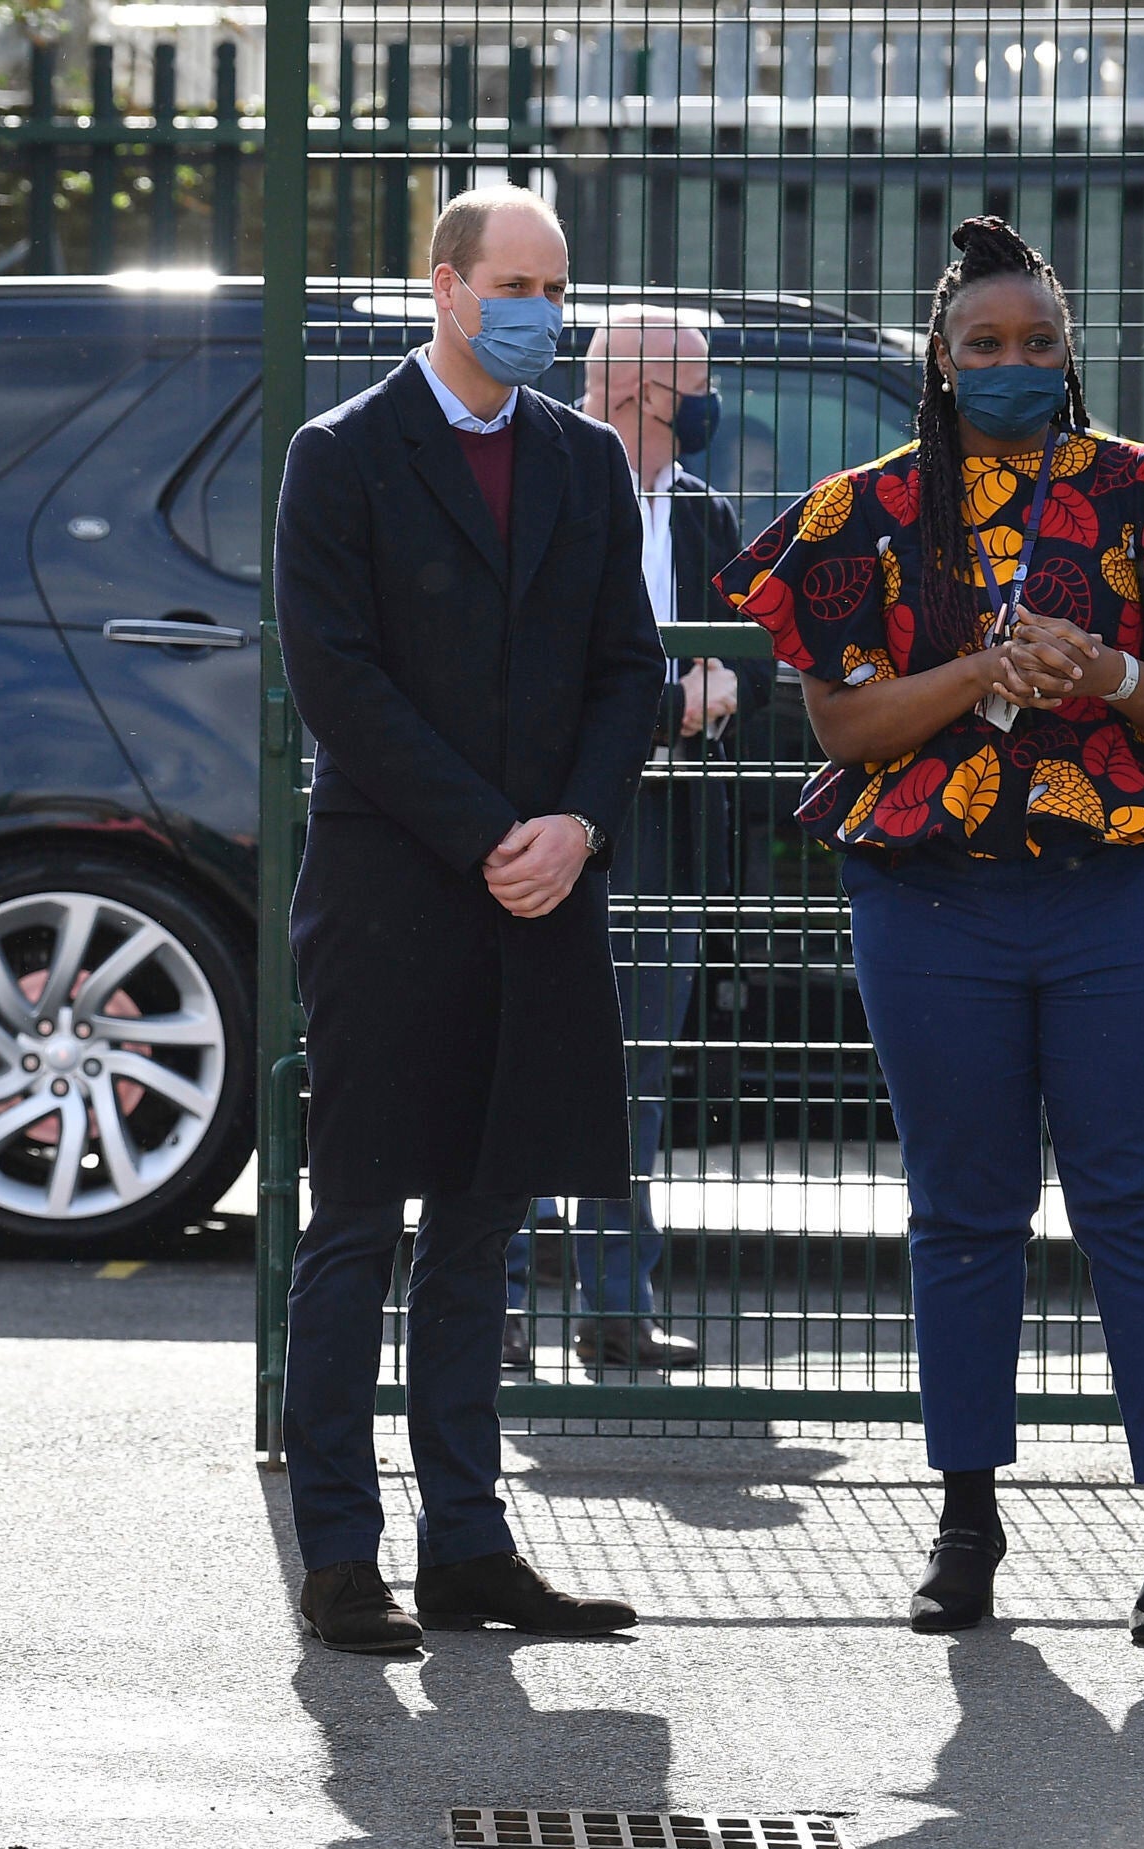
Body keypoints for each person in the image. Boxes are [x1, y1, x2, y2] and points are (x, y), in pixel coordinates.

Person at [718, 216, 1144, 1645]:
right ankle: (965, 1525)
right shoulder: (864, 516)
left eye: (1040, 344)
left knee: (1142, 1212)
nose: (1015, 366)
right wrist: (979, 666)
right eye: (987, 346)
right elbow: (845, 722)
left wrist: (1103, 668)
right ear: (943, 356)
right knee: (964, 1217)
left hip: (1125, 899)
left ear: (1070, 353)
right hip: (932, 905)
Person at [273, 186, 669, 1654]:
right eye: (515, 282)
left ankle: (469, 1548)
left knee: (485, 1230)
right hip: (394, 893)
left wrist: (576, 823)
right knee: (359, 1221)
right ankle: (336, 1556)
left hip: (541, 894)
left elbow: (627, 670)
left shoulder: (580, 459)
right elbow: (339, 682)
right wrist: (488, 830)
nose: (541, 313)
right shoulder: (345, 455)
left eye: (557, 288)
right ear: (442, 288)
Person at [501, 305, 757, 1373]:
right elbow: (542, 666)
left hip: (666, 830)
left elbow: (758, 652)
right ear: (648, 391)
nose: (708, 406)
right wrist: (670, 698)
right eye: (694, 385)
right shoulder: (542, 483)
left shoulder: (702, 515)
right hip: (551, 821)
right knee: (518, 1063)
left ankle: (617, 1303)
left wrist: (730, 681)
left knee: (637, 1076)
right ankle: (497, 1300)